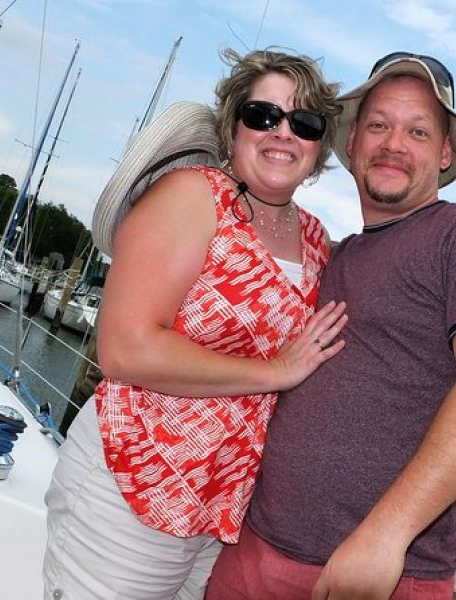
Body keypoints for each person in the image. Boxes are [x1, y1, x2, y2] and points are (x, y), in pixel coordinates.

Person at [206, 52, 456, 599]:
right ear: (354, 142)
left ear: (442, 154)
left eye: (417, 131)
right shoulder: (332, 256)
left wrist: (385, 537)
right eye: (380, 125)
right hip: (254, 552)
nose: (393, 143)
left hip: (379, 574)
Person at [42, 48, 345, 599]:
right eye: (262, 116)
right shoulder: (193, 196)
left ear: (320, 145)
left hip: (221, 509)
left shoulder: (318, 241)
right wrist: (275, 371)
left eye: (303, 123)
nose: (282, 133)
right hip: (134, 482)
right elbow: (125, 351)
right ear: (233, 126)